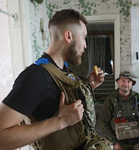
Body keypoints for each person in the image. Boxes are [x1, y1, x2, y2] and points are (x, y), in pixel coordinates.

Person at [0, 9, 108, 150]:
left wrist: (90, 85)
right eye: (84, 37)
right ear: (68, 36)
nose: (85, 45)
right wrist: (60, 121)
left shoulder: (62, 69)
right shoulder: (36, 77)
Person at [100, 71, 139, 150]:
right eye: (123, 80)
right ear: (118, 82)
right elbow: (103, 122)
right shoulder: (109, 100)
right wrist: (114, 142)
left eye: (129, 81)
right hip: (117, 141)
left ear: (132, 84)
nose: (126, 84)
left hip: (138, 141)